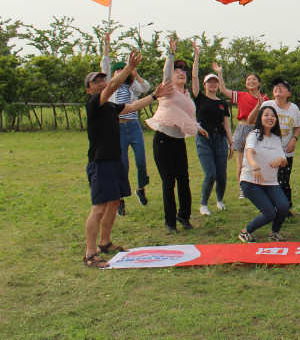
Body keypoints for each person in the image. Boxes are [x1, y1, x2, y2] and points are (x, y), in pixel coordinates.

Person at [83, 50, 170, 268]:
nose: (102, 84)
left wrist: (153, 96)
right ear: (88, 89)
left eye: (103, 79)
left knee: (114, 202)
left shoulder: (111, 107)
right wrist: (130, 68)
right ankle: (90, 253)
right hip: (100, 162)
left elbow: (131, 107)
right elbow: (113, 87)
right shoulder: (95, 103)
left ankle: (105, 242)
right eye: (96, 82)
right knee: (99, 208)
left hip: (115, 160)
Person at [146, 35, 207, 234]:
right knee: (168, 181)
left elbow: (187, 117)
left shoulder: (187, 95)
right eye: (177, 71)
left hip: (178, 141)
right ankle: (170, 222)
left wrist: (198, 127)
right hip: (163, 139)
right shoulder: (168, 90)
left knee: (184, 179)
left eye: (183, 71)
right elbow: (165, 74)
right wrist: (170, 55)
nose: (181, 73)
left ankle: (184, 216)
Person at [101, 33, 151, 215]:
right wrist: (106, 45)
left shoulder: (132, 88)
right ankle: (120, 199)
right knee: (122, 165)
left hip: (134, 127)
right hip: (118, 128)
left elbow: (146, 87)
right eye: (117, 71)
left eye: (124, 70)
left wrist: (135, 73)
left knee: (141, 162)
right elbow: (105, 66)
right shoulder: (110, 88)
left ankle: (140, 188)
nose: (120, 73)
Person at [247, 78, 300, 216]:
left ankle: (286, 208)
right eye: (276, 86)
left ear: (289, 93)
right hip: (267, 151)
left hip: (286, 152)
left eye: (282, 86)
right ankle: (268, 208)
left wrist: (294, 139)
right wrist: (258, 105)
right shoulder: (267, 104)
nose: (278, 88)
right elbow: (250, 120)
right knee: (268, 180)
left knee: (284, 181)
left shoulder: (294, 108)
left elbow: (298, 127)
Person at [190, 42, 234, 217]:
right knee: (211, 174)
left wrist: (231, 143)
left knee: (221, 175)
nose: (213, 84)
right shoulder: (199, 98)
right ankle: (203, 203)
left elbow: (226, 124)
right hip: (203, 140)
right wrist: (197, 56)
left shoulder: (222, 103)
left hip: (220, 140)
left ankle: (220, 200)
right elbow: (193, 78)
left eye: (215, 82)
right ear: (205, 84)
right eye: (210, 82)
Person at [212, 62, 264, 199]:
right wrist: (219, 72)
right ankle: (243, 189)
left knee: (257, 162)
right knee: (241, 164)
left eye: (254, 79)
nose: (251, 81)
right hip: (242, 129)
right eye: (248, 79)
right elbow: (223, 90)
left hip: (257, 131)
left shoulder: (264, 99)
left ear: (259, 83)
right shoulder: (240, 95)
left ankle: (258, 187)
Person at [238, 106, 290, 243]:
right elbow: (249, 152)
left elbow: (284, 161)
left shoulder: (276, 138)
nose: (270, 118)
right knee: (270, 213)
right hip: (251, 181)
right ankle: (246, 232)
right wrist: (255, 167)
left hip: (270, 182)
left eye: (273, 115)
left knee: (284, 207)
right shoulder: (253, 135)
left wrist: (281, 160)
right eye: (266, 115)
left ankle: (274, 233)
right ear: (260, 118)